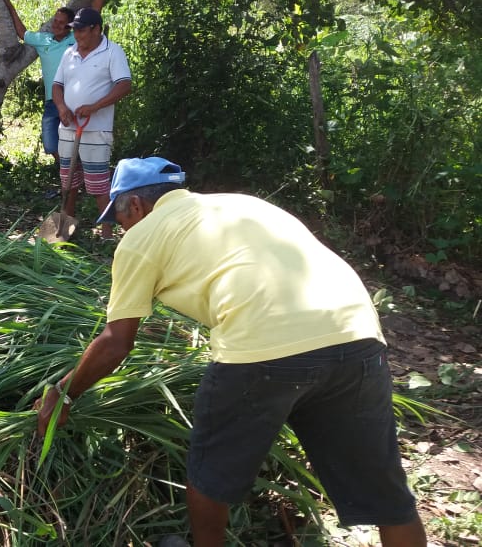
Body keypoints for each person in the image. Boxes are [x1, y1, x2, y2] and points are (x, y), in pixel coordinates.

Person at [34, 157, 428, 547]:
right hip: (358, 334)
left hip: (263, 348)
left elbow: (116, 342)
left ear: (135, 205)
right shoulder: (242, 205)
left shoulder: (141, 236)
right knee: (387, 496)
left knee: (210, 476)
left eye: (119, 219)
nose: (122, 229)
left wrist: (63, 393)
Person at [2, 0, 114, 191]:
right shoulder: (43, 40)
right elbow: (22, 32)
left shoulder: (76, 40)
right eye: (55, 21)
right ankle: (74, 175)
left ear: (71, 26)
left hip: (72, 102)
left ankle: (79, 181)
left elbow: (96, 11)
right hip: (52, 102)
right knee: (51, 143)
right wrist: (9, 6)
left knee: (78, 142)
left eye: (61, 23)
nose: (56, 25)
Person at [52, 7, 132, 241]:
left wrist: (95, 107)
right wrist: (62, 108)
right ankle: (65, 229)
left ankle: (106, 235)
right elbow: (57, 85)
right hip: (68, 127)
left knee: (98, 185)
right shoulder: (70, 53)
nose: (77, 36)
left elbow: (124, 85)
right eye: (74, 31)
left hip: (96, 130)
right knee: (68, 181)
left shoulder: (112, 52)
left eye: (81, 31)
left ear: (96, 29)